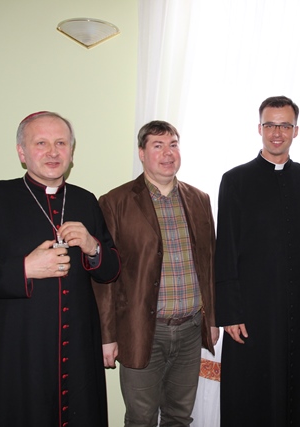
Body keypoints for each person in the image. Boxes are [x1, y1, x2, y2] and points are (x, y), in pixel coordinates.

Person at [0, 111, 121, 427]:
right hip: (17, 349)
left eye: (61, 143)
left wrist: (92, 246)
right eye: (41, 143)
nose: (53, 152)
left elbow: (110, 272)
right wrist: (25, 268)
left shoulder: (85, 200)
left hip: (78, 348)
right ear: (22, 152)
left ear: (71, 151)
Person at [215, 96, 300, 426]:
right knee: (255, 392)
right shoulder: (235, 180)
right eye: (270, 125)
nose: (277, 133)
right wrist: (229, 312)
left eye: (285, 125)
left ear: (296, 130)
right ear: (259, 128)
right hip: (255, 310)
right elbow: (225, 248)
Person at [93, 120, 218, 427]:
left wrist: (212, 320)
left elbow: (210, 265)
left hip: (190, 330)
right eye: (158, 146)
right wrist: (107, 336)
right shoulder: (115, 202)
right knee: (141, 418)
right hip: (142, 331)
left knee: (179, 416)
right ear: (141, 153)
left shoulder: (199, 199)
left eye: (173, 145)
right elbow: (104, 278)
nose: (167, 153)